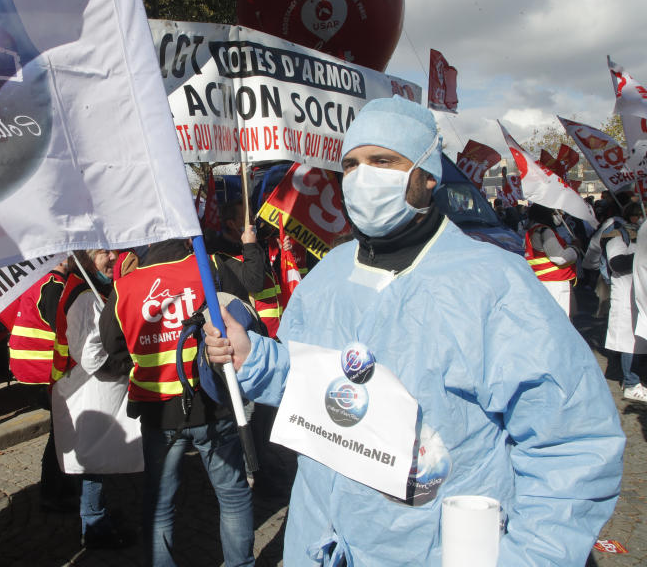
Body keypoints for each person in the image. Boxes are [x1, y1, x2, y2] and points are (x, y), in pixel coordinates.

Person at [205, 96, 624, 566]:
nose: (364, 177)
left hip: (428, 549)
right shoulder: (329, 274)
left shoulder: (495, 284)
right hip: (317, 540)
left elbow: (572, 444)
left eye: (383, 161)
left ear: (428, 175)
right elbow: (312, 382)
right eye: (352, 164)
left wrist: (526, 557)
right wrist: (250, 356)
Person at [99, 239, 255, 567]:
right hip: (214, 403)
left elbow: (113, 352)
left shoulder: (123, 287)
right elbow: (244, 310)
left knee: (160, 507)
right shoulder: (209, 265)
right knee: (233, 496)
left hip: (159, 413)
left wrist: (142, 364)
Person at [50, 250, 140, 549]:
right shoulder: (84, 295)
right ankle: (94, 526)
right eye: (104, 253)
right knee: (95, 463)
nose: (112, 257)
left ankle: (97, 517)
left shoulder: (89, 288)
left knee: (99, 459)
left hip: (98, 391)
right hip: (91, 389)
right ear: (86, 259)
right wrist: (128, 364)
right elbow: (91, 355)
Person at [7, 262, 77, 512]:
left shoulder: (41, 282)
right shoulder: (54, 285)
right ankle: (53, 492)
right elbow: (64, 329)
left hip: (34, 369)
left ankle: (62, 487)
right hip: (42, 370)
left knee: (61, 430)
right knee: (62, 432)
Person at [603, 202, 646, 402]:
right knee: (630, 342)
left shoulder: (641, 237)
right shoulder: (618, 237)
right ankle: (630, 383)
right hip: (625, 297)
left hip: (639, 294)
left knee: (640, 341)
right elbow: (616, 263)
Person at [524, 203, 578, 316]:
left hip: (541, 280)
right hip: (555, 282)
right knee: (561, 317)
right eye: (554, 212)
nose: (557, 216)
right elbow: (559, 258)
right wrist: (574, 249)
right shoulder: (545, 231)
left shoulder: (531, 231)